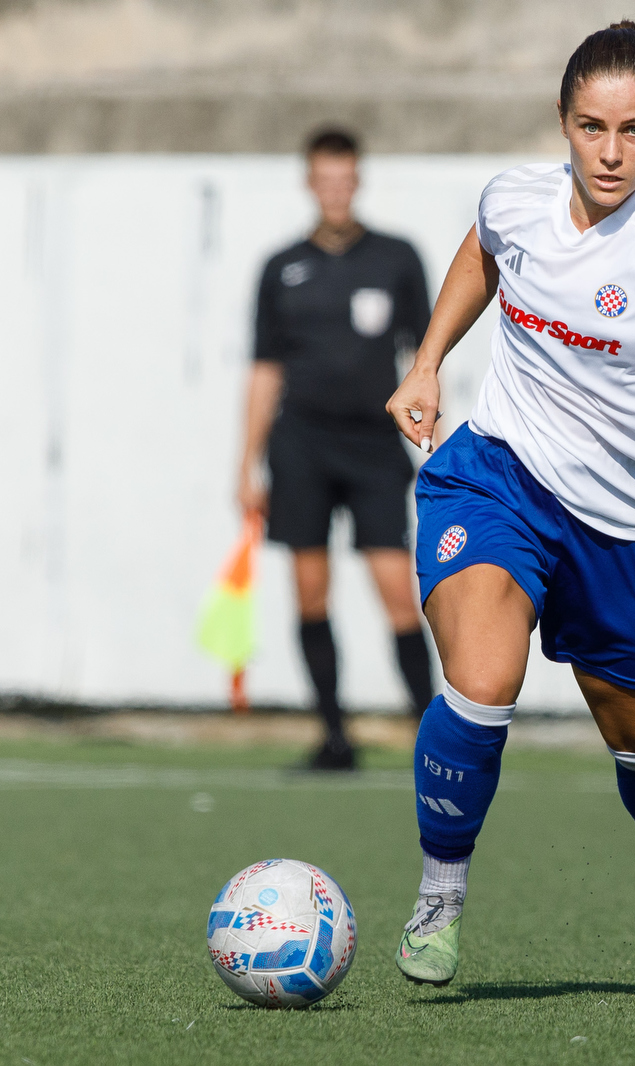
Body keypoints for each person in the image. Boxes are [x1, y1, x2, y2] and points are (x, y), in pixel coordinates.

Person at [385, 22, 635, 998]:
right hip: (498, 478)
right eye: (590, 127)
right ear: (563, 123)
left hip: (623, 531)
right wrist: (427, 358)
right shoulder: (516, 198)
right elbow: (485, 253)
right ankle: (441, 890)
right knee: (483, 681)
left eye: (634, 129)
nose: (610, 152)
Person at [239, 127, 438, 770]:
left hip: (376, 445)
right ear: (308, 182)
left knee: (398, 589)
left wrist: (432, 437)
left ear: (357, 180)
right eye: (323, 178)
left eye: (344, 178)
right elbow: (265, 369)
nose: (335, 190)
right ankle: (333, 736)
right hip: (301, 444)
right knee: (310, 591)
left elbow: (426, 357)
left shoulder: (397, 257)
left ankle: (432, 737)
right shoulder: (281, 267)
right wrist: (247, 462)